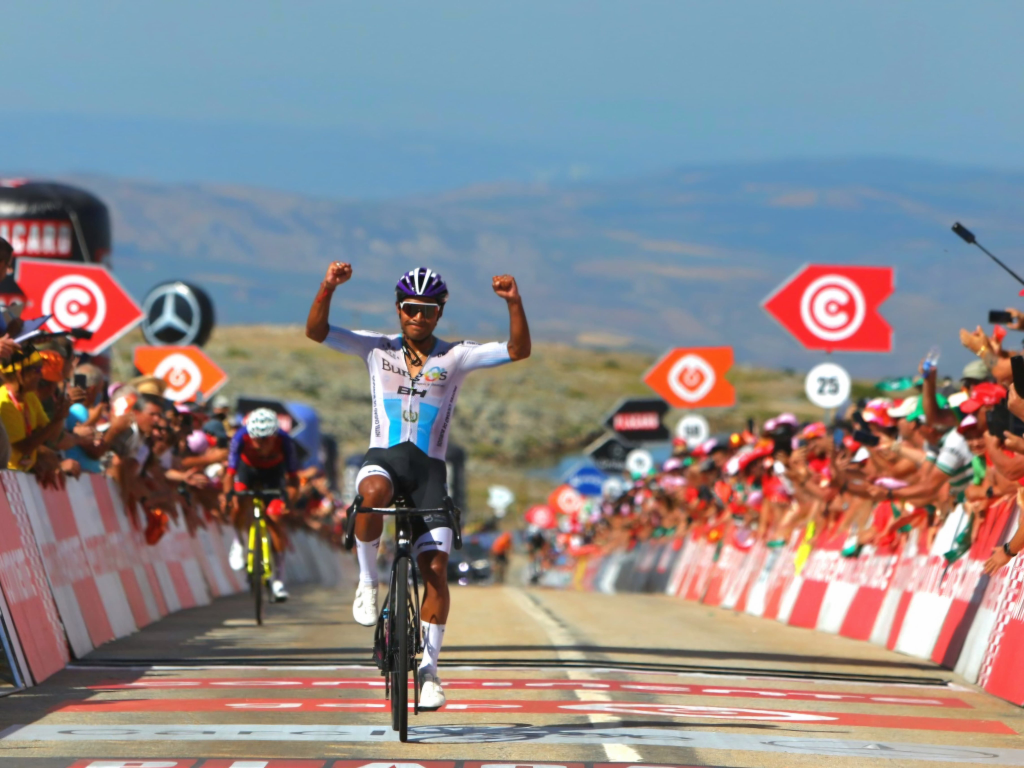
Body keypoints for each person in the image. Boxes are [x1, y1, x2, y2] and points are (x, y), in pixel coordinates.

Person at [306, 262, 531, 710]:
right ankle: (368, 581)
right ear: (398, 308)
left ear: (439, 312)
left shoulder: (456, 355)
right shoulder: (376, 347)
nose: (418, 317)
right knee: (369, 497)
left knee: (434, 572)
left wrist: (513, 302)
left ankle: (430, 670)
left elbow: (517, 350)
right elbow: (317, 331)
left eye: (427, 310)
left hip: (429, 472)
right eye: (410, 308)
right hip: (384, 460)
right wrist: (328, 286)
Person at [224, 407, 300, 602]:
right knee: (238, 502)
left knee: (275, 517)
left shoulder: (285, 441)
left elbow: (293, 479)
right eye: (256, 440)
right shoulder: (241, 437)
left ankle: (279, 580)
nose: (259, 445)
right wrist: (227, 496)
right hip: (247, 470)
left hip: (273, 475)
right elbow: (230, 473)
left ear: (274, 436)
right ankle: (239, 542)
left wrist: (289, 502)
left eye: (265, 440)